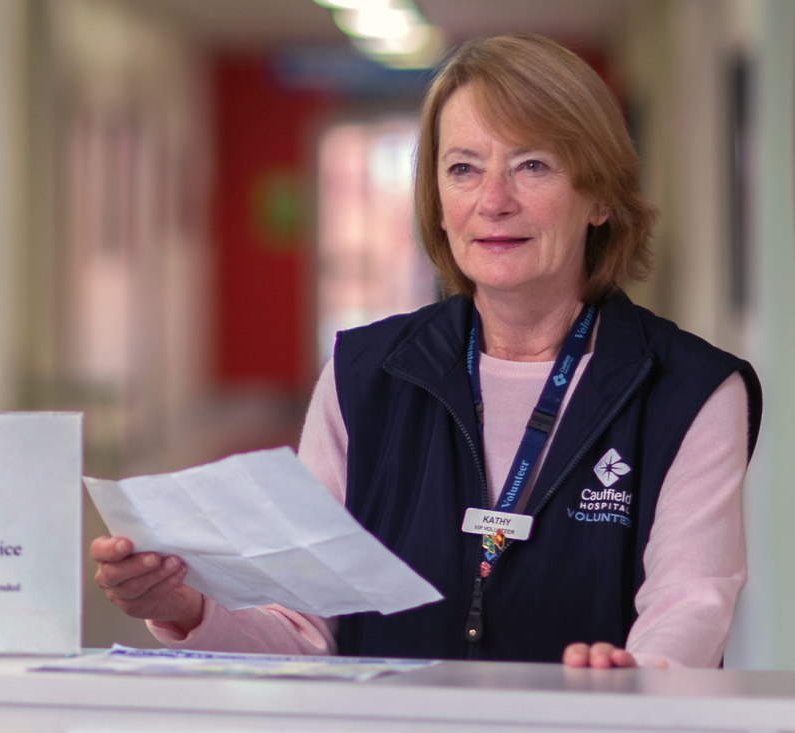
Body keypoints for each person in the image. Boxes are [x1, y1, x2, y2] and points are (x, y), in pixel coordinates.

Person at [90, 33, 762, 669]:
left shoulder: (687, 390)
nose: (493, 201)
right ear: (437, 203)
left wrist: (634, 677)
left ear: (600, 197)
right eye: (464, 169)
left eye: (532, 165)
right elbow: (302, 630)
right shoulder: (363, 377)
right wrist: (187, 607)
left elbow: (688, 607)